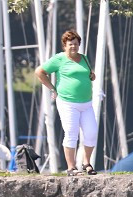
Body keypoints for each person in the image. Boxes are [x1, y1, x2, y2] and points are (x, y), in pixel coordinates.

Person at [36, 30, 98, 175]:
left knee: (91, 133)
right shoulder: (59, 59)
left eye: (76, 44)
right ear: (65, 45)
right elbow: (40, 72)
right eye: (70, 44)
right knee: (71, 133)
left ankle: (86, 163)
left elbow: (88, 74)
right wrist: (52, 89)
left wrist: (92, 75)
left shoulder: (84, 58)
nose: (73, 47)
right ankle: (71, 167)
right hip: (67, 102)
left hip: (86, 103)